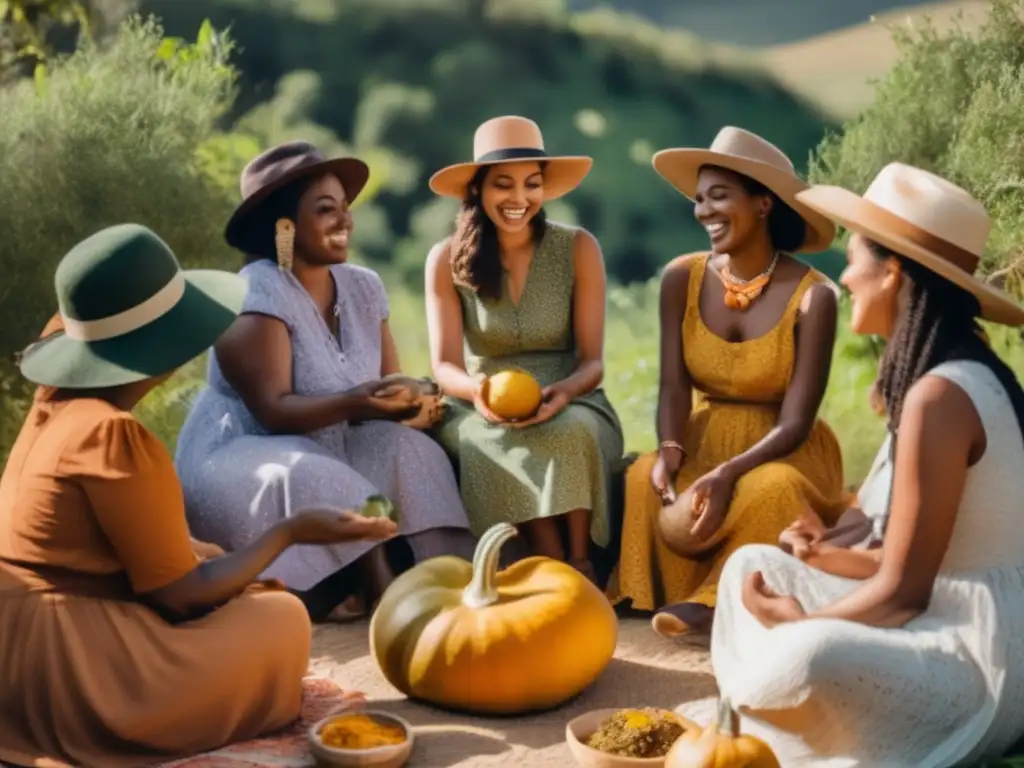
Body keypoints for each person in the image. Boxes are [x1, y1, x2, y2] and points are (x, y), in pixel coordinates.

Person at [0, 224, 394, 767]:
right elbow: (177, 596)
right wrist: (291, 531)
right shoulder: (110, 435)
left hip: (16, 648)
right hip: (73, 671)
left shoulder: (57, 406)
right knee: (281, 620)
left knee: (248, 591)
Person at [705, 163, 1024, 766]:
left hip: (982, 659)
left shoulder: (943, 396)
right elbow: (910, 561)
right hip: (938, 612)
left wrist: (803, 624)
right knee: (749, 564)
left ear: (893, 272)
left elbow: (903, 593)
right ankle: (772, 693)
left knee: (814, 652)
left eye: (854, 259)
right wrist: (822, 553)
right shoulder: (936, 379)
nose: (845, 276)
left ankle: (770, 697)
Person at [175, 141, 473, 622]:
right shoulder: (256, 293)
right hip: (244, 452)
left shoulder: (363, 286)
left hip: (334, 436)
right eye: (326, 210)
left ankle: (448, 576)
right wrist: (359, 403)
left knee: (410, 450)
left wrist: (409, 397)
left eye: (346, 208)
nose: (345, 221)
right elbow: (273, 410)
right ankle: (382, 595)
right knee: (313, 471)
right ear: (285, 226)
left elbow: (385, 382)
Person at [613, 126, 846, 636]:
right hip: (704, 434)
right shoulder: (682, 277)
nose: (704, 212)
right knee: (642, 476)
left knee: (775, 490)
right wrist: (671, 447)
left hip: (781, 447)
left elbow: (798, 420)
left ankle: (720, 599)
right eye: (699, 200)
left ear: (763, 204)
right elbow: (674, 385)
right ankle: (652, 591)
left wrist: (728, 473)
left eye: (719, 197)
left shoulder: (814, 297)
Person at [424, 115, 625, 581]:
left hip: (573, 393)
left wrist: (565, 392)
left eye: (532, 185)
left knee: (569, 430)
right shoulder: (445, 258)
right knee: (483, 439)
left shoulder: (579, 248)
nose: (519, 199)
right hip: (480, 398)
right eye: (503, 185)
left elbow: (593, 361)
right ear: (477, 190)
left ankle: (581, 562)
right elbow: (445, 364)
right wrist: (477, 393)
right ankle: (537, 560)